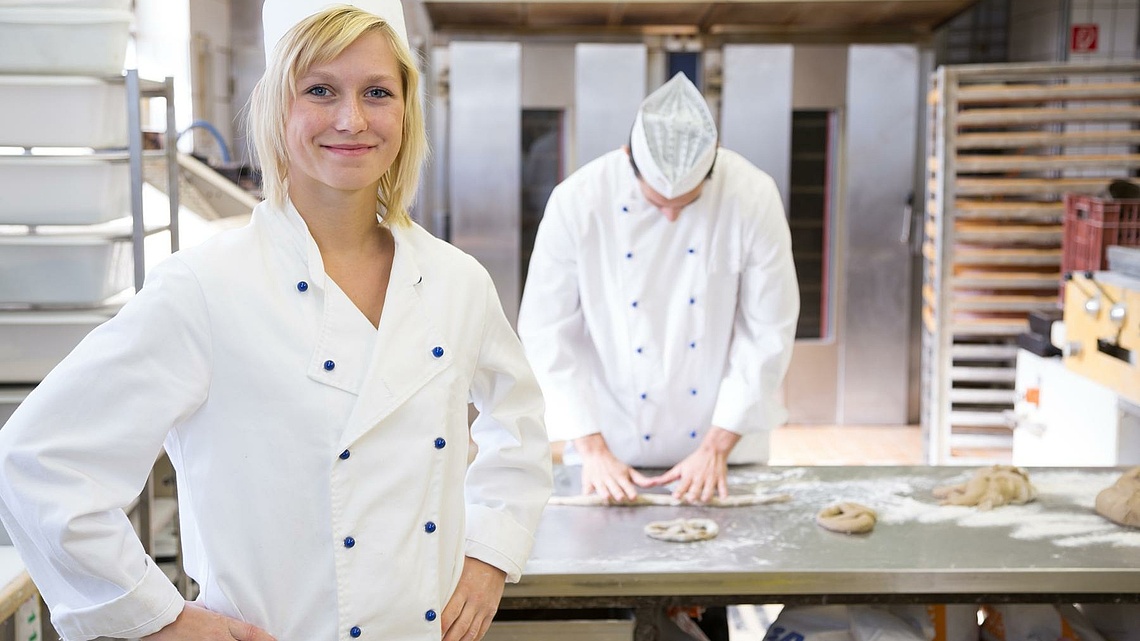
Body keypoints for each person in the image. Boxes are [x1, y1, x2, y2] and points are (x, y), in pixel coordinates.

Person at [0, 4, 553, 641]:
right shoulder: (206, 287)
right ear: (276, 107)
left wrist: (490, 553)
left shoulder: (456, 282)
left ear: (407, 109)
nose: (352, 120)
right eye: (320, 90)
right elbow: (40, 462)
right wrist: (158, 621)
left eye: (377, 92)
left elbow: (521, 421)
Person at [517, 71, 797, 641]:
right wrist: (589, 446)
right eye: (656, 200)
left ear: (713, 163)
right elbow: (548, 331)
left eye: (687, 200)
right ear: (629, 160)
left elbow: (767, 329)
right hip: (610, 440)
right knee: (607, 598)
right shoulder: (578, 200)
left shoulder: (752, 195)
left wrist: (718, 444)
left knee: (712, 586)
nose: (671, 214)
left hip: (723, 437)